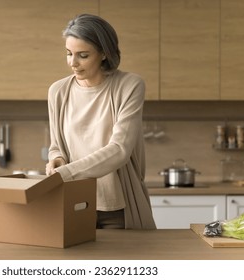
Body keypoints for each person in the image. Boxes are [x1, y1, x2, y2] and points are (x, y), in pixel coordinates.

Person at [45, 14, 156, 230]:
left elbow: (119, 150)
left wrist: (65, 173)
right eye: (69, 54)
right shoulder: (58, 91)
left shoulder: (129, 85)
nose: (73, 63)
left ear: (104, 53)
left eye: (83, 55)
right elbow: (56, 144)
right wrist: (56, 158)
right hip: (73, 203)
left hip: (117, 206)